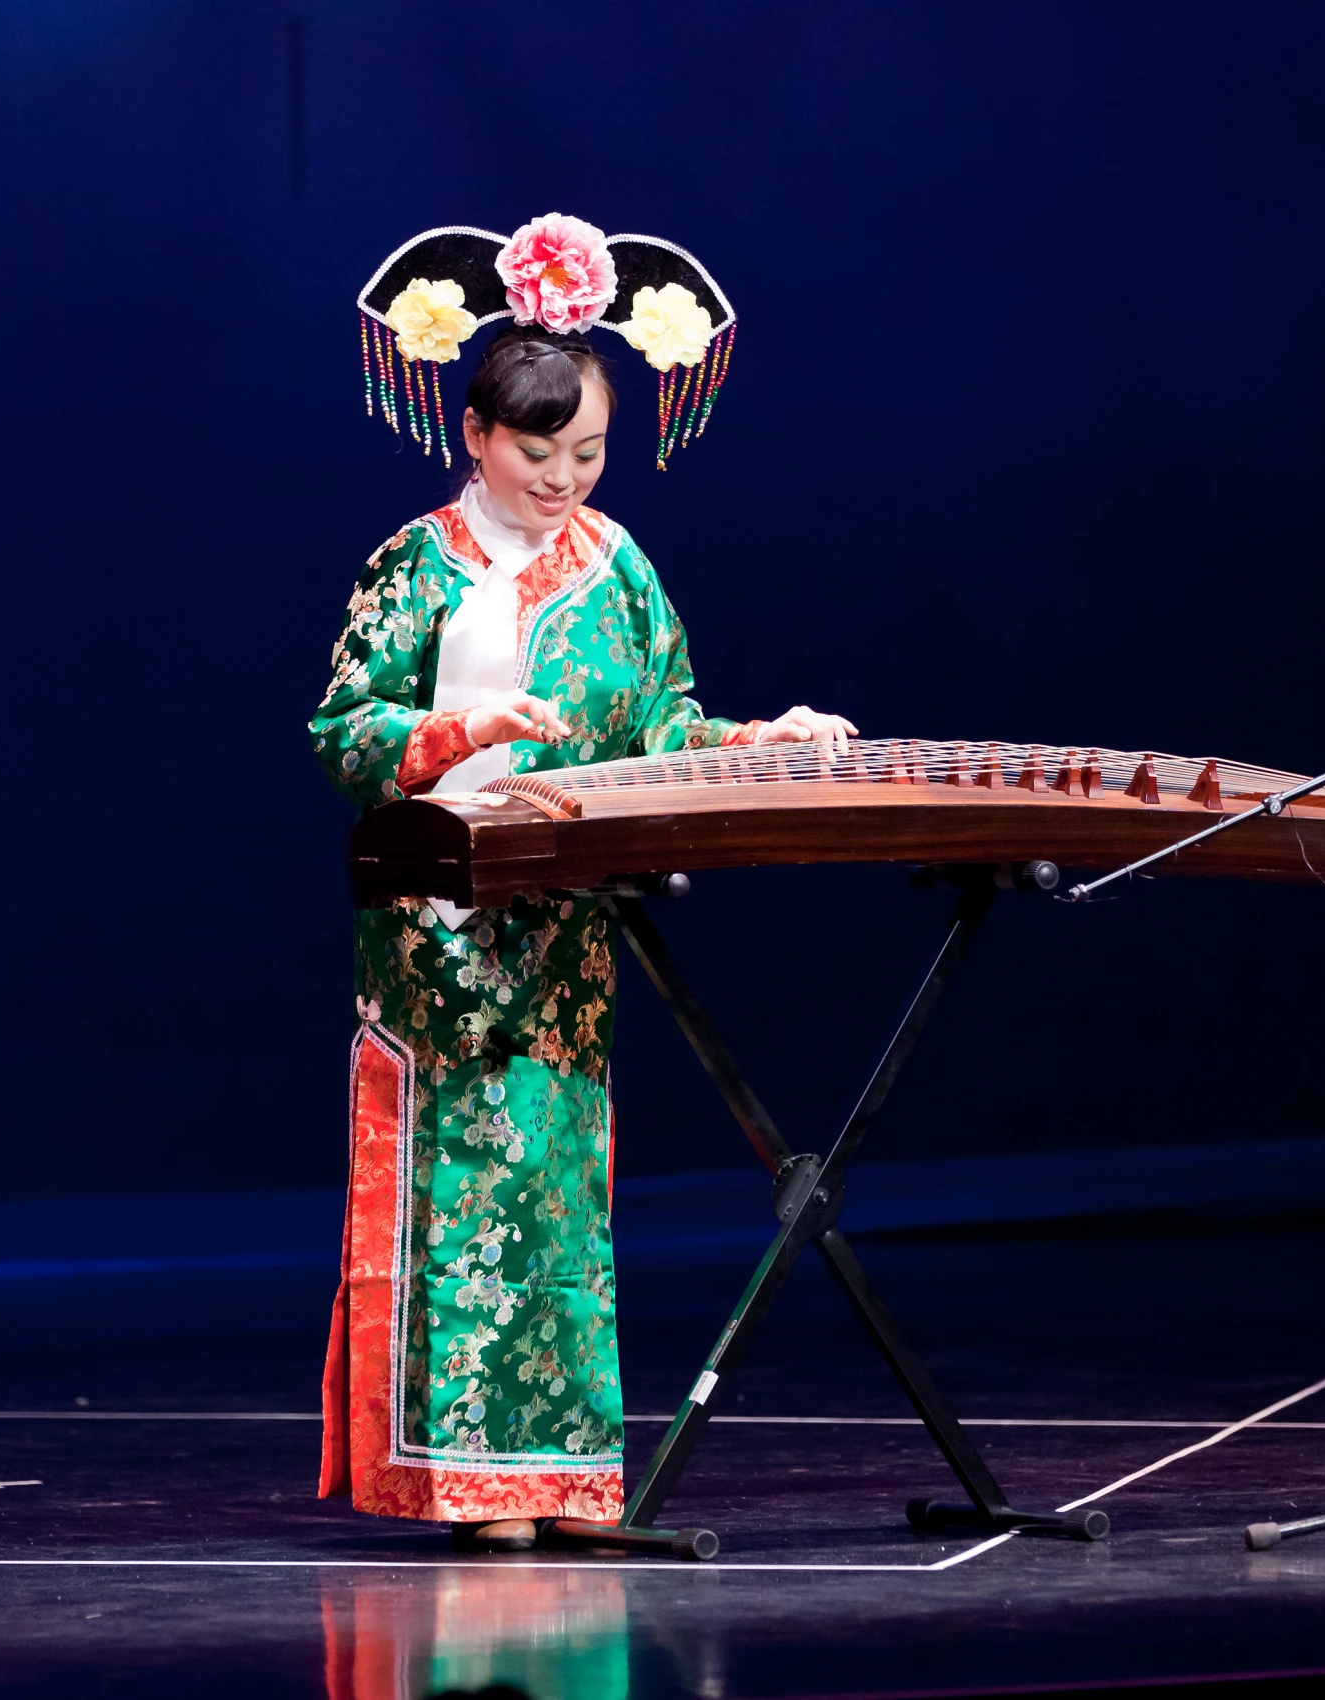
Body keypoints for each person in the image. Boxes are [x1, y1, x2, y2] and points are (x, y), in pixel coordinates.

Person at [312, 214, 852, 1551]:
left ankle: (557, 1482)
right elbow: (342, 732)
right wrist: (461, 731)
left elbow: (659, 720)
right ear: (476, 438)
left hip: (562, 920)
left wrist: (752, 741)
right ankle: (464, 1485)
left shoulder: (616, 568)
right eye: (538, 453)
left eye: (590, 454)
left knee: (558, 1185)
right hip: (442, 922)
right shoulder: (414, 567)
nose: (565, 480)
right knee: (467, 1184)